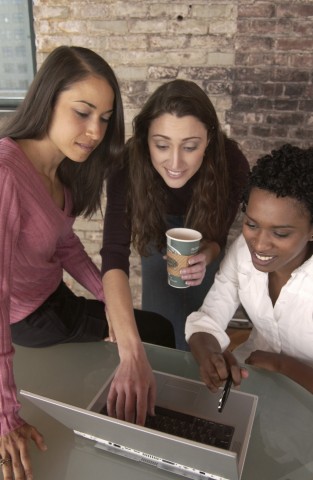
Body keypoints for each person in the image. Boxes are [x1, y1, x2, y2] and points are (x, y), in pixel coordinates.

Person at [0, 46, 175, 480]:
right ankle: (151, 441)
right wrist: (5, 414)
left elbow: (65, 246)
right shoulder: (6, 173)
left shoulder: (58, 171)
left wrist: (108, 300)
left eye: (104, 117)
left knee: (134, 326)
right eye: (82, 112)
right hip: (32, 319)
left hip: (53, 296)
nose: (95, 131)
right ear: (47, 100)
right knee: (158, 329)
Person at [101, 79, 249, 428]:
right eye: (162, 145)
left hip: (204, 251)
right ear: (145, 140)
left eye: (191, 146)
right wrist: (130, 349)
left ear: (209, 141)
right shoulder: (126, 165)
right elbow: (114, 253)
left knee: (203, 335)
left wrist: (207, 256)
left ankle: (201, 407)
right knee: (161, 333)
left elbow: (218, 238)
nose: (176, 162)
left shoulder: (232, 163)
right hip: (156, 238)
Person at [185, 143, 313, 396]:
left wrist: (283, 366)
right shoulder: (243, 253)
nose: (260, 244)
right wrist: (211, 355)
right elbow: (210, 317)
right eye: (252, 224)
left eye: (280, 233)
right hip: (253, 380)